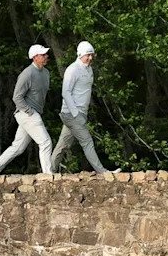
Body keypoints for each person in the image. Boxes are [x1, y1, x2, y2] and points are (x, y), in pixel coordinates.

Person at [0, 44, 54, 177]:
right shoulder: (27, 74)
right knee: (45, 142)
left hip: (33, 113)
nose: (46, 56)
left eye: (45, 54)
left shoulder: (46, 73)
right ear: (35, 57)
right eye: (43, 55)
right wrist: (30, 112)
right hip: (27, 113)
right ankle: (48, 176)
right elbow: (17, 97)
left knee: (18, 148)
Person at [50, 40, 119, 174]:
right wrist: (76, 114)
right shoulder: (73, 69)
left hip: (80, 113)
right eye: (88, 55)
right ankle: (103, 172)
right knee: (87, 141)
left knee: (63, 144)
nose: (90, 58)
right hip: (71, 114)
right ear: (80, 54)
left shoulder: (89, 70)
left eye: (92, 55)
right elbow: (66, 92)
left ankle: (48, 171)